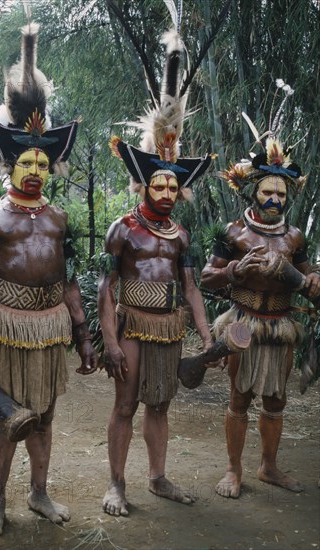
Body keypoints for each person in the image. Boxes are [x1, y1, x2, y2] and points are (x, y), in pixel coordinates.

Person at [0, 22, 98, 536]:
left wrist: (84, 338)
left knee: (43, 417)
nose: (35, 167)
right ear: (9, 162)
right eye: (26, 160)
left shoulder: (59, 219)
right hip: (8, 326)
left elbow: (68, 285)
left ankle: (39, 492)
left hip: (51, 327)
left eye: (43, 159)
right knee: (8, 418)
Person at [97, 29, 216, 517]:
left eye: (173, 185)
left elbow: (190, 288)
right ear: (145, 183)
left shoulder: (182, 235)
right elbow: (106, 288)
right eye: (158, 183)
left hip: (169, 329)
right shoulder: (123, 229)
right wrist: (107, 340)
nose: (166, 191)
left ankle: (158, 476)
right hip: (131, 325)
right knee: (125, 405)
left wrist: (207, 337)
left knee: (161, 405)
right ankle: (115, 484)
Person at [200, 84, 320, 499]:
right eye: (267, 191)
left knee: (276, 400)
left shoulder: (294, 236)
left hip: (281, 325)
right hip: (243, 325)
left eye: (280, 194)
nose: (273, 199)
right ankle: (233, 471)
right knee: (239, 397)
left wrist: (315, 277)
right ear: (253, 192)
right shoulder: (234, 233)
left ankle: (268, 466)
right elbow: (205, 278)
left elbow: (307, 275)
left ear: (288, 197)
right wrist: (234, 268)